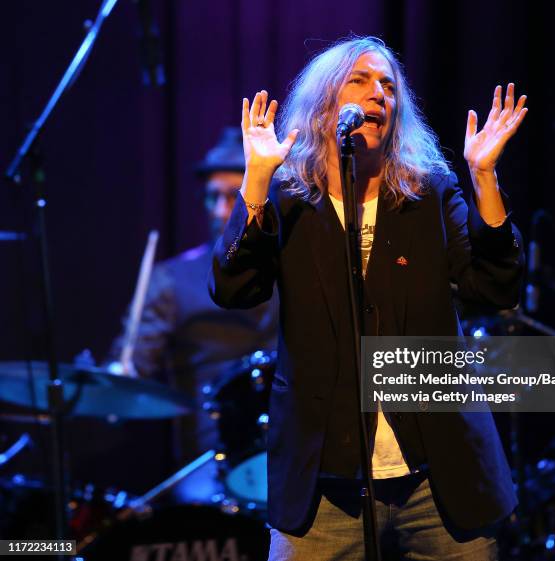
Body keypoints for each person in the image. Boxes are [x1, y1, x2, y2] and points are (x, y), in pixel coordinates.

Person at [210, 36, 526, 560]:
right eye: (360, 81)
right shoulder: (288, 202)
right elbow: (233, 288)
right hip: (323, 485)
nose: (378, 93)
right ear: (325, 105)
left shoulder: (430, 194)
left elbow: (495, 287)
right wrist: (256, 184)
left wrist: (484, 177)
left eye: (388, 85)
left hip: (439, 477)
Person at [110, 127, 278, 473]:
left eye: (233, 197)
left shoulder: (297, 267)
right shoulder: (170, 280)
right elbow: (131, 363)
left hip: (298, 456)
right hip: (208, 464)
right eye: (211, 198)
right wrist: (119, 374)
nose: (219, 211)